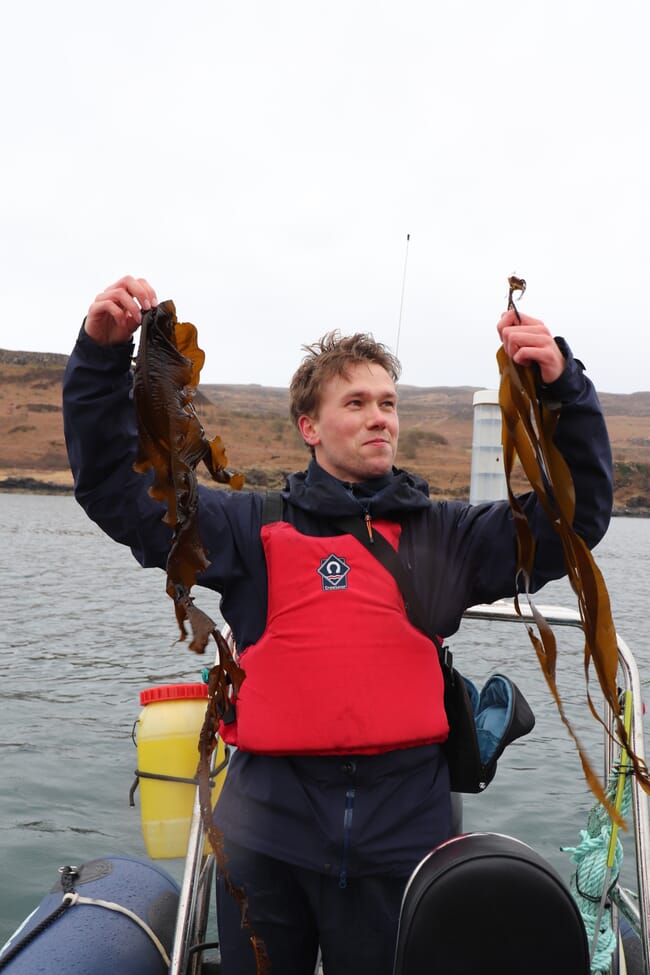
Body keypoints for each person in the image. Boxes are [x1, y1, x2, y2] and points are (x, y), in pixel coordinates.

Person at [62, 275, 613, 975]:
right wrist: (100, 358)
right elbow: (116, 490)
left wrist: (564, 386)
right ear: (310, 426)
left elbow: (576, 517)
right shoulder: (246, 527)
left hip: (403, 836)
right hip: (267, 839)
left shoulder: (445, 537)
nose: (380, 416)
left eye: (388, 403)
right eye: (356, 402)